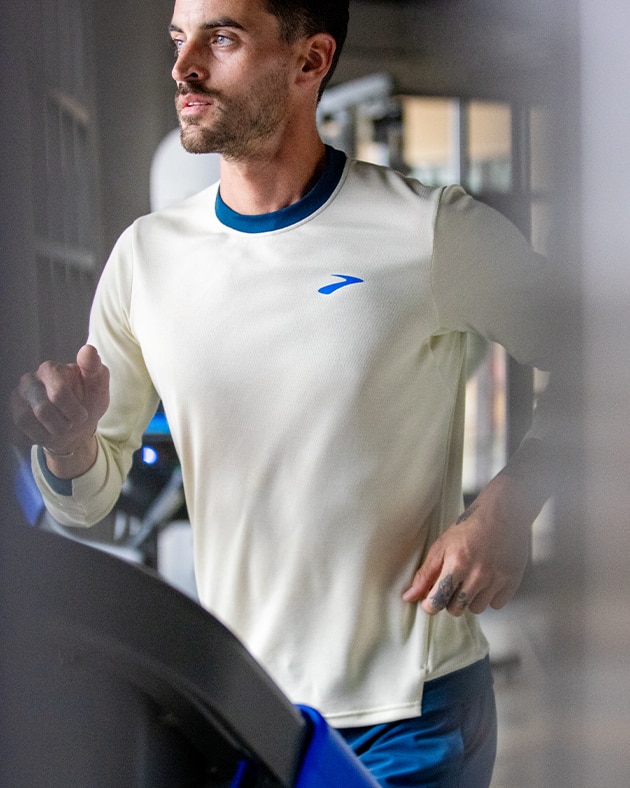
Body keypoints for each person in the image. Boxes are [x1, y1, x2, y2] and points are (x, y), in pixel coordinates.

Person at [11, 0, 555, 784]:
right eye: (178, 40)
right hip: (245, 706)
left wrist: (510, 504)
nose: (184, 67)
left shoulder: (429, 230)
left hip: (410, 712)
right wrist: (67, 447)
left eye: (221, 38)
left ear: (310, 61)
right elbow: (85, 504)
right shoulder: (146, 259)